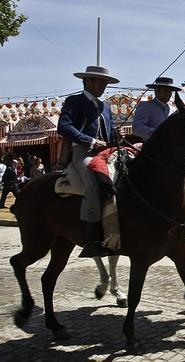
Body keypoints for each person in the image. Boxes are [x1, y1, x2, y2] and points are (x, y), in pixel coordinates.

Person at [57, 65, 122, 257]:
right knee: (94, 184)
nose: (104, 85)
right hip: (83, 152)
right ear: (88, 81)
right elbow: (64, 126)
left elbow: (109, 134)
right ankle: (92, 236)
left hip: (107, 153)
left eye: (105, 82)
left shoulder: (106, 107)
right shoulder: (74, 101)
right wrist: (91, 140)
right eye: (100, 81)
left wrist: (115, 136)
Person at [132, 77, 181, 142]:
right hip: (152, 148)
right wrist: (159, 134)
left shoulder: (173, 110)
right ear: (157, 91)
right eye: (166, 90)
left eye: (170, 91)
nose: (169, 94)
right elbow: (137, 128)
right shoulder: (145, 106)